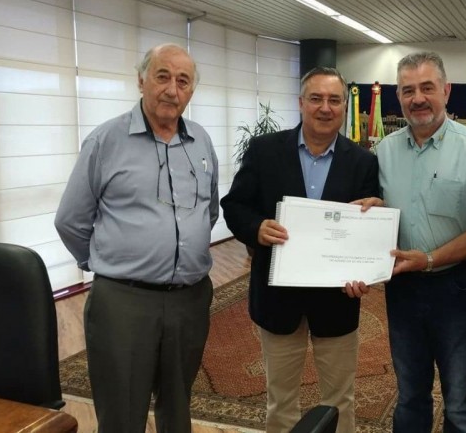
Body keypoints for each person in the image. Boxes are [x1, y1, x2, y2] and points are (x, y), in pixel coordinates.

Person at [55, 43, 218, 433]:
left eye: (183, 81)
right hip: (123, 302)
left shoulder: (201, 141)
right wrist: (108, 264)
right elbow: (71, 220)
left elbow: (209, 211)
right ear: (141, 80)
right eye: (163, 76)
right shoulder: (106, 141)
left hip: (190, 300)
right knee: (122, 414)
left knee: (178, 405)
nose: (172, 90)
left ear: (192, 90)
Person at [220, 67, 379, 432]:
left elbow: (368, 229)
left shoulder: (363, 162)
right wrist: (256, 228)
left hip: (338, 301)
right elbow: (235, 206)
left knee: (340, 401)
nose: (325, 107)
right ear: (301, 103)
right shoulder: (264, 151)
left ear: (344, 106)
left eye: (334, 100)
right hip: (278, 299)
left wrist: (365, 270)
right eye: (316, 98)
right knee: (280, 401)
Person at [364, 51, 466, 432]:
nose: (418, 98)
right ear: (399, 96)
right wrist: (373, 211)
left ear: (446, 91)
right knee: (409, 394)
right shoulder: (384, 151)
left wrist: (429, 259)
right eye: (408, 90)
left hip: (458, 290)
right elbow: (385, 211)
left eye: (427, 88)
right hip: (403, 290)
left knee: (460, 400)